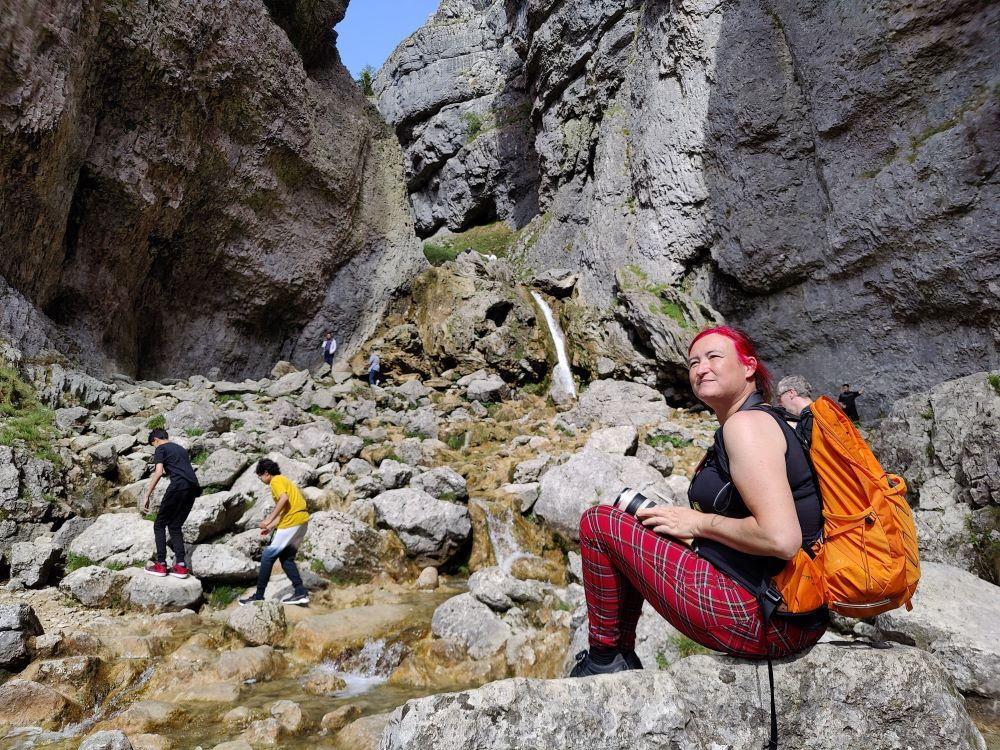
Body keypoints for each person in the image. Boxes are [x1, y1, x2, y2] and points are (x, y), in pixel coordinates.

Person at [571, 325, 826, 676]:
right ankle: (618, 656)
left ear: (749, 367)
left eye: (713, 357)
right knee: (635, 524)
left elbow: (781, 538)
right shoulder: (760, 421)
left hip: (765, 616)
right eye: (692, 363)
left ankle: (605, 658)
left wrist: (698, 523)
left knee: (600, 523)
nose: (700, 368)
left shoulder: (747, 427)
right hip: (784, 611)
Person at [239, 458, 310, 606]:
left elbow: (283, 499)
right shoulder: (285, 480)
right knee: (286, 558)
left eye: (260, 476)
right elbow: (287, 509)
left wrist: (268, 519)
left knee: (267, 556)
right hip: (302, 520)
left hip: (292, 521)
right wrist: (271, 526)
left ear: (266, 473)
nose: (260, 479)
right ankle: (300, 592)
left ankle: (258, 596)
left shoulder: (276, 481)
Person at [142, 428, 200, 578]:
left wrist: (147, 495)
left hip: (178, 486)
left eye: (153, 445)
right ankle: (180, 565)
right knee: (174, 525)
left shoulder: (161, 448)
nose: (155, 448)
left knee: (159, 524)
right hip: (193, 487)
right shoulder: (180, 449)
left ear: (155, 440)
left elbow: (159, 472)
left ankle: (161, 564)